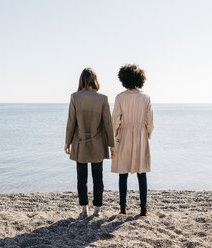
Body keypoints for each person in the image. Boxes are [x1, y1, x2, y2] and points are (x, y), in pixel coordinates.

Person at [65, 68, 115, 218]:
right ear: (95, 80)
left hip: (80, 143)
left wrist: (67, 142)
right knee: (98, 178)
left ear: (81, 80)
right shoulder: (103, 98)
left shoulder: (75, 97)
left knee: (82, 178)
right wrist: (112, 145)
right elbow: (108, 124)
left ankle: (84, 209)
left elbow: (71, 122)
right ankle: (97, 210)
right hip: (98, 144)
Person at [111, 64, 154, 216]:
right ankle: (143, 207)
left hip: (124, 134)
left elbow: (115, 120)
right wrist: (147, 135)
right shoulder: (145, 97)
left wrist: (115, 136)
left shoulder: (120, 97)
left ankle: (123, 207)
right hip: (141, 134)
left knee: (123, 172)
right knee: (141, 172)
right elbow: (150, 122)